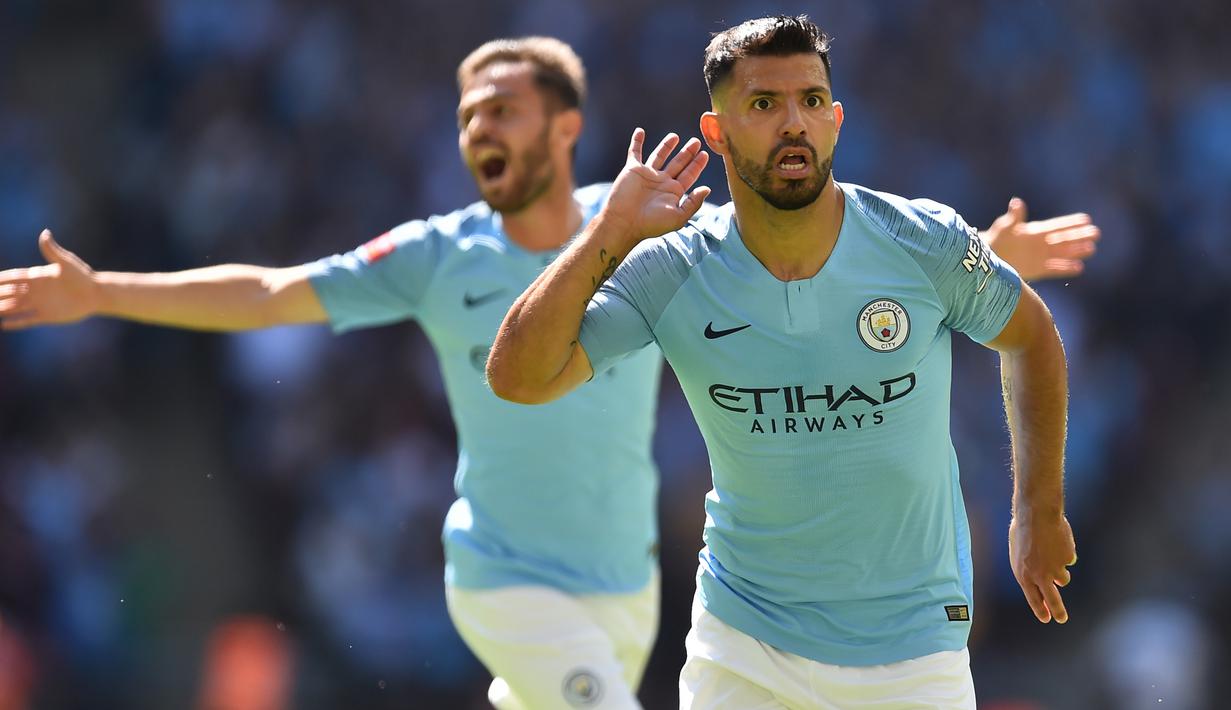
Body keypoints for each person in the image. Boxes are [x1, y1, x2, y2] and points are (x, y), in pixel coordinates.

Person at [0, 33, 1091, 710]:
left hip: (628, 586)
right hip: (515, 573)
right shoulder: (457, 252)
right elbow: (276, 291)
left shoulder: (661, 226)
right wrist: (105, 294)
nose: (481, 128)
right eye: (469, 114)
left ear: (565, 129)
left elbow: (829, 257)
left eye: (505, 109)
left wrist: (977, 266)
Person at [486, 16, 1077, 710]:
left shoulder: (922, 242)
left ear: (835, 121)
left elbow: (1032, 337)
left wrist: (1037, 509)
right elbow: (518, 377)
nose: (794, 122)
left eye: (811, 101)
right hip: (744, 644)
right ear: (717, 132)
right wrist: (606, 235)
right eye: (764, 104)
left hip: (915, 648)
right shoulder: (673, 268)